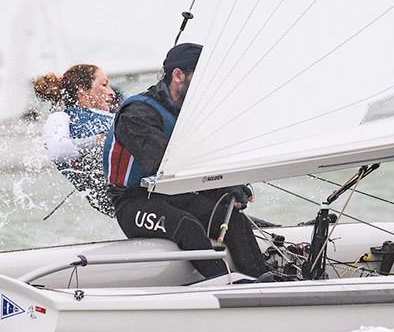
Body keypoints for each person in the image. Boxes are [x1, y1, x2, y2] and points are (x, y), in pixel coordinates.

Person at [103, 43, 268, 279]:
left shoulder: (189, 113)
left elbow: (204, 158)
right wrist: (221, 185)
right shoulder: (137, 114)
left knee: (232, 219)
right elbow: (165, 166)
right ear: (179, 75)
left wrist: (231, 187)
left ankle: (261, 280)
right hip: (132, 203)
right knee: (188, 227)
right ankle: (228, 284)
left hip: (172, 195)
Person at [34, 64, 118, 215]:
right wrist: (99, 141)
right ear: (83, 90)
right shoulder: (60, 118)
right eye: (104, 85)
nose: (111, 92)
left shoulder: (115, 116)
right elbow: (58, 151)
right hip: (118, 198)